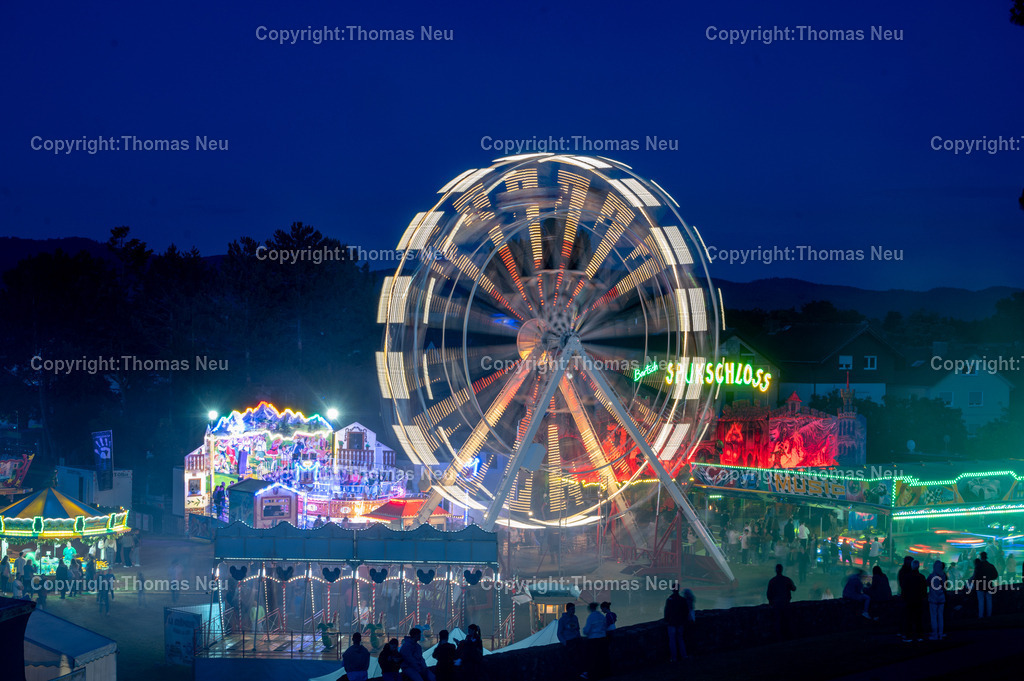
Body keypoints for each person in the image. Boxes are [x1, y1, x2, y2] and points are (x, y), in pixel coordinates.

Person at [664, 583, 689, 662]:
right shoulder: (682, 600)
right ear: (678, 589)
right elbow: (686, 611)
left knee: (672, 640)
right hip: (680, 623)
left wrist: (667, 620)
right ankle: (684, 655)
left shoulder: (670, 599)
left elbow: (667, 612)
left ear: (672, 589)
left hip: (671, 623)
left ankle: (674, 658)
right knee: (680, 639)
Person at [903, 560, 927, 641]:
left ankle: (909, 636)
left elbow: (904, 589)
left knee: (909, 619)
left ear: (911, 566)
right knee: (919, 619)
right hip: (919, 600)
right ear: (918, 566)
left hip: (909, 600)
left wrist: (904, 598)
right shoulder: (922, 577)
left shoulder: (907, 576)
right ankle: (920, 636)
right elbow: (924, 589)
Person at [973, 552, 999, 618]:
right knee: (989, 600)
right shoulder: (990, 565)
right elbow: (995, 575)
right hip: (989, 585)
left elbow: (975, 576)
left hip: (980, 586)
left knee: (981, 601)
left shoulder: (978, 566)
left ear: (981, 557)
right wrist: (990, 578)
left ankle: (981, 616)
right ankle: (989, 615)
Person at [927, 560, 947, 640]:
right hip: (942, 598)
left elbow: (927, 583)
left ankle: (935, 634)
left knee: (934, 617)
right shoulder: (943, 575)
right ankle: (941, 634)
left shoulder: (932, 575)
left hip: (933, 599)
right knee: (941, 617)